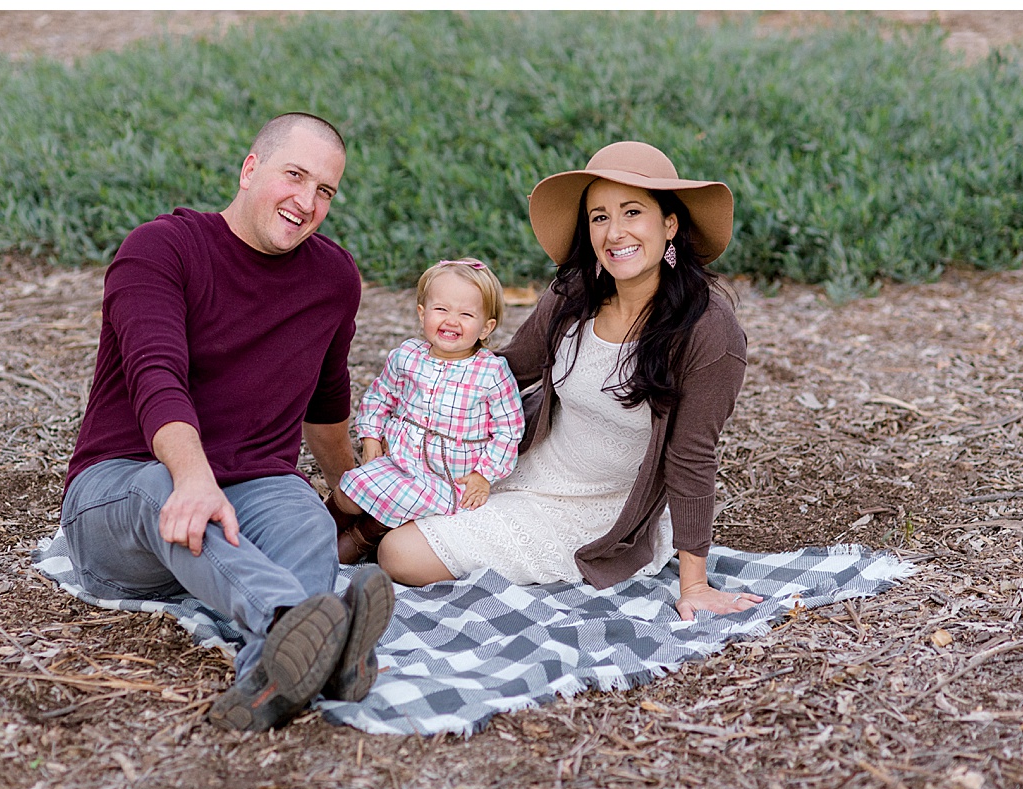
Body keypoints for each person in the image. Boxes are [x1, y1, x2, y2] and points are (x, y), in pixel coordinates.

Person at [58, 112, 395, 733]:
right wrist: (192, 478)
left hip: (250, 490)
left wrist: (349, 494)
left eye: (325, 190)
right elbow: (155, 378)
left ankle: (272, 682)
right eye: (294, 176)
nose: (307, 201)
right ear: (249, 169)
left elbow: (327, 402)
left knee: (303, 516)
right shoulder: (161, 249)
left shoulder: (333, 279)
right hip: (123, 495)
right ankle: (311, 623)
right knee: (161, 489)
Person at [376, 141, 765, 620]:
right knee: (389, 493)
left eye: (632, 212)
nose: (614, 231)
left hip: (599, 508)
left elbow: (692, 456)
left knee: (400, 553)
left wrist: (696, 584)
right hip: (520, 464)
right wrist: (426, 379)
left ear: (670, 224)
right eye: (599, 216)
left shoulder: (709, 332)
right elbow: (503, 372)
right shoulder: (575, 293)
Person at [326, 258, 525, 564]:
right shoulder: (408, 356)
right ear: (422, 314)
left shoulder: (491, 372)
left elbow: (508, 430)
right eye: (441, 309)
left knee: (393, 507)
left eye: (466, 314)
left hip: (446, 480)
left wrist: (484, 476)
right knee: (352, 491)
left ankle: (361, 539)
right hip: (398, 461)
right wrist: (370, 438)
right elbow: (381, 396)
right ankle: (321, 527)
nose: (451, 320)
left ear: (486, 327)